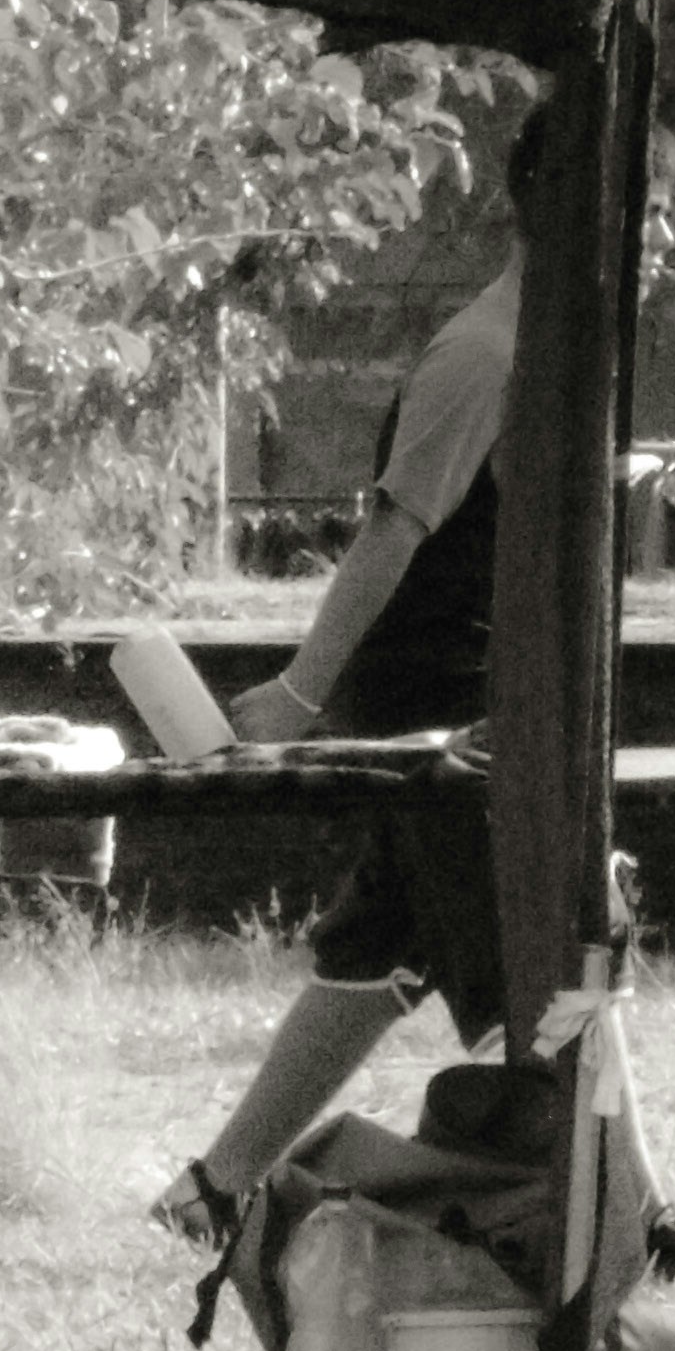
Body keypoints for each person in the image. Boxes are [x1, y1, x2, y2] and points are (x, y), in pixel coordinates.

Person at [151, 259, 520, 1256]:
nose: (657, 238)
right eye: (646, 208)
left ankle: (215, 1191)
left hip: (475, 698)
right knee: (540, 972)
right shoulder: (484, 356)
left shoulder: (546, 353)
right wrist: (299, 693)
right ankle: (621, 1215)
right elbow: (390, 534)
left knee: (378, 955)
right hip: (440, 716)